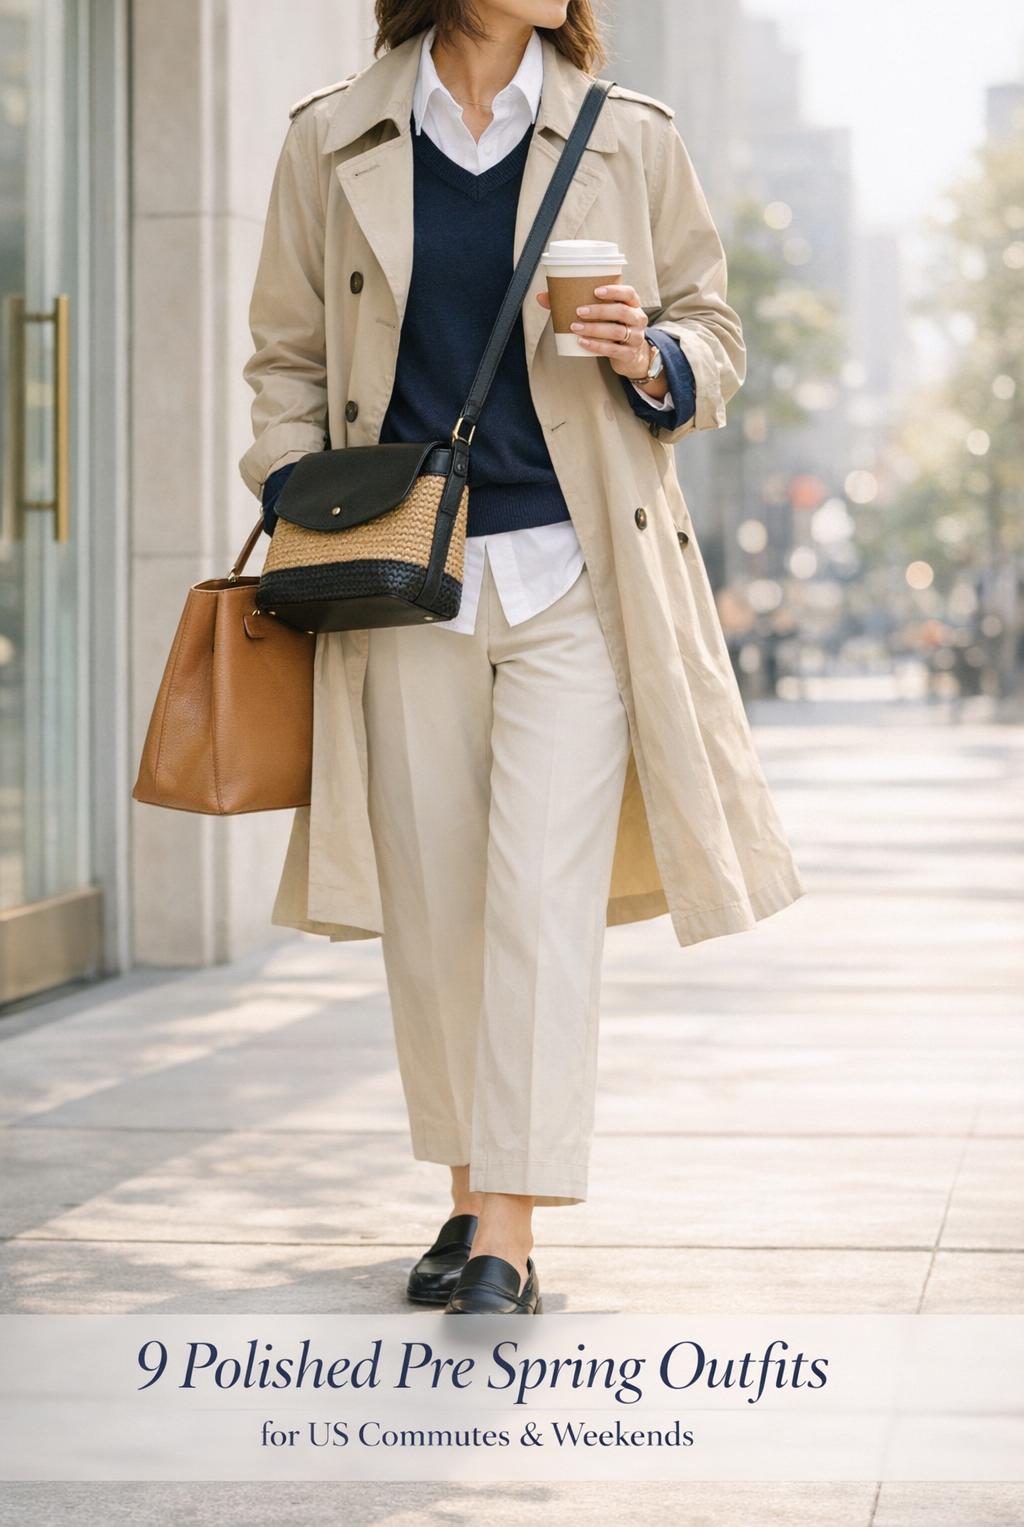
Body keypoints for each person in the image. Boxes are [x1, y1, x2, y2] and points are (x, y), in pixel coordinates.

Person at [239, 0, 805, 1315]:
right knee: (436, 905)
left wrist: (652, 356)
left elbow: (714, 331)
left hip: (578, 575)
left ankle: (508, 1227)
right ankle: (466, 1194)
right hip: (400, 576)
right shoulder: (333, 136)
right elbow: (285, 356)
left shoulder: (629, 135)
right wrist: (295, 483)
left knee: (542, 902)